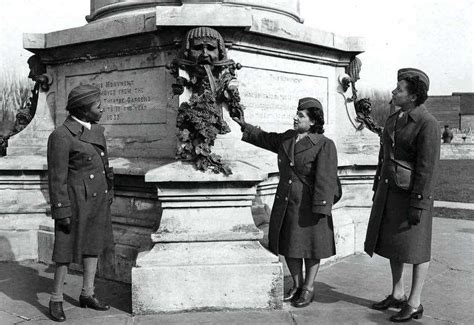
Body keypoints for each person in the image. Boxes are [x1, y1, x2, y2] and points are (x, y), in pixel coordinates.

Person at [232, 97, 338, 308]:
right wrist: (244, 125)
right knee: (289, 245)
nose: (295, 117)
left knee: (311, 247)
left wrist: (321, 208)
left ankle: (308, 288)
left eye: (301, 115)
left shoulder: (324, 144)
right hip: (286, 201)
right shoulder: (288, 138)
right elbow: (265, 138)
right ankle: (297, 286)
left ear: (313, 121)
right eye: (296, 113)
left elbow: (326, 179)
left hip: (309, 204)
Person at [364, 68, 440, 322]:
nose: (394, 92)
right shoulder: (393, 119)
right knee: (396, 246)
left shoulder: (428, 124)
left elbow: (427, 168)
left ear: (413, 96)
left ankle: (415, 302)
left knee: (416, 249)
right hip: (391, 192)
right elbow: (384, 156)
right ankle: (397, 294)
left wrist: (419, 203)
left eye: (399, 89)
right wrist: (378, 187)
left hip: (414, 195)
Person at [47, 84, 114, 322]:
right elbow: (57, 178)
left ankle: (87, 293)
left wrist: (109, 193)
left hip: (96, 199)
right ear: (84, 110)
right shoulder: (61, 135)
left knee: (93, 245)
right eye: (98, 106)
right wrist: (61, 210)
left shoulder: (95, 130)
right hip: (74, 202)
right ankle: (55, 298)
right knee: (64, 251)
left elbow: (104, 165)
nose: (102, 109)